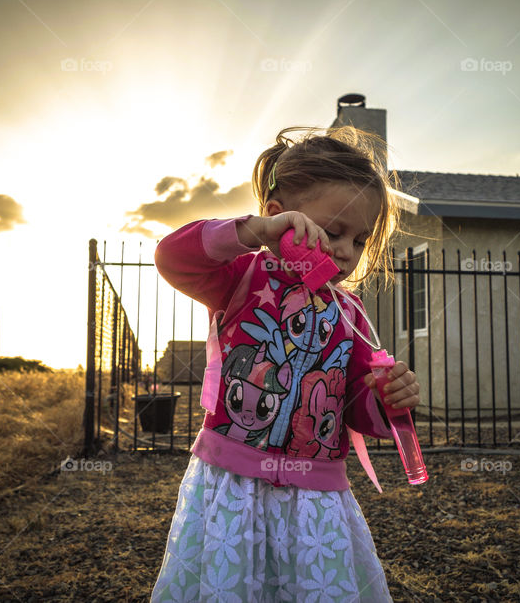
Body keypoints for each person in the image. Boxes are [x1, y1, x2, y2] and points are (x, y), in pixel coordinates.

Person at [150, 126, 421, 602]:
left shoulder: (350, 313)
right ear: (281, 218)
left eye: (359, 240)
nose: (346, 251)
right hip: (233, 485)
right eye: (333, 231)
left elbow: (354, 406)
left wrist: (384, 397)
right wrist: (255, 232)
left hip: (317, 497)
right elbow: (173, 257)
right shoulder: (241, 276)